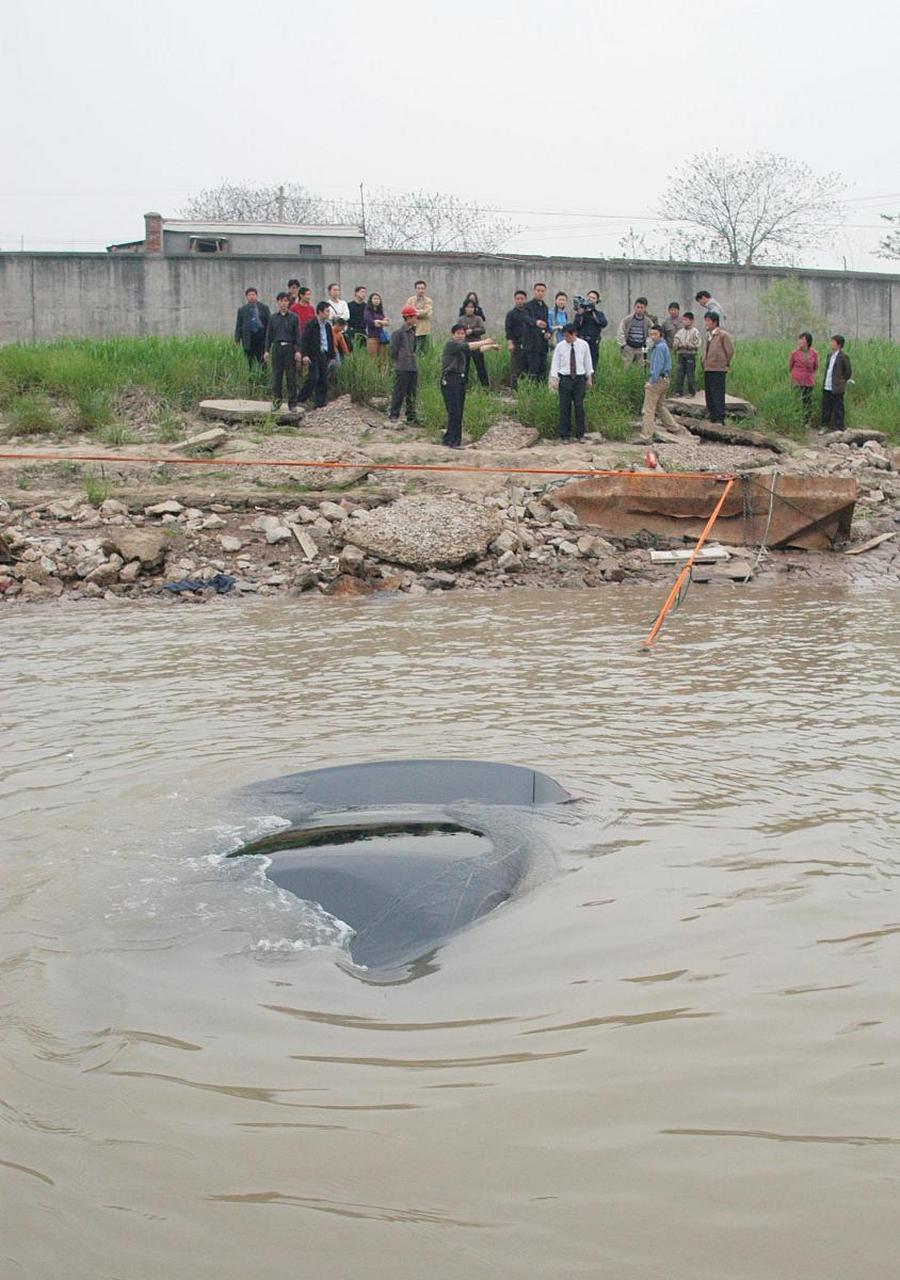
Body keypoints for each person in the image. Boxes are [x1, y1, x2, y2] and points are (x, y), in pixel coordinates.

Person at [440, 321, 499, 448]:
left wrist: (490, 346)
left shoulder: (462, 346)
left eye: (462, 333)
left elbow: (477, 350)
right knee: (454, 411)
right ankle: (453, 442)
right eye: (458, 333)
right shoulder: (452, 344)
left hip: (459, 380)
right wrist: (486, 341)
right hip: (450, 380)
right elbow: (469, 346)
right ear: (453, 334)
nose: (461, 336)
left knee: (458, 411)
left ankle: (450, 439)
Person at [549, 323, 594, 441]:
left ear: (574, 334)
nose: (566, 338)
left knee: (579, 406)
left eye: (568, 336)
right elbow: (555, 363)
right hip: (565, 378)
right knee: (565, 407)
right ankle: (564, 435)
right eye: (564, 336)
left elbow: (587, 362)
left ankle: (580, 434)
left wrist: (589, 377)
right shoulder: (560, 346)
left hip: (579, 378)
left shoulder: (583, 345)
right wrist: (554, 378)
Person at [264, 291, 302, 409]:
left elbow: (297, 335)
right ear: (278, 302)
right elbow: (269, 335)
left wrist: (298, 351)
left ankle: (292, 404)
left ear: (288, 302)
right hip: (277, 348)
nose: (283, 303)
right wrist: (266, 351)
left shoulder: (294, 318)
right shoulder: (273, 318)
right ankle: (277, 402)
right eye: (281, 301)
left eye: (286, 301)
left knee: (291, 377)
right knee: (277, 377)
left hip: (290, 349)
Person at [641, 324, 679, 435]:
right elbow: (663, 363)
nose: (652, 337)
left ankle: (646, 434)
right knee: (659, 406)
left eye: (655, 334)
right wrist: (649, 363)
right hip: (665, 379)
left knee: (648, 409)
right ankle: (673, 426)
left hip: (657, 380)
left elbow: (657, 367)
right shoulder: (663, 346)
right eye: (651, 334)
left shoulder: (658, 348)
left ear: (660, 335)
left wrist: (651, 382)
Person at [298, 302, 335, 409]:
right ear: (320, 311)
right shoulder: (311, 324)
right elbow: (304, 340)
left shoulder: (327, 326)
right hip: (313, 355)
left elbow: (330, 341)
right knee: (313, 377)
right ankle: (301, 398)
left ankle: (320, 402)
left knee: (323, 378)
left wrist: (331, 356)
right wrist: (304, 354)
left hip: (324, 354)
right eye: (327, 311)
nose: (328, 314)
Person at [701, 312, 735, 424]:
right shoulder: (708, 335)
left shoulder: (722, 335)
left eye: (708, 321)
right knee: (709, 394)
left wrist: (724, 363)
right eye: (705, 320)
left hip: (718, 369)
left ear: (715, 322)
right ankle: (712, 416)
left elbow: (729, 351)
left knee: (718, 394)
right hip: (708, 368)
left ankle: (720, 418)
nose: (706, 323)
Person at [389, 306, 419, 424]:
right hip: (402, 367)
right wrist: (398, 362)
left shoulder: (412, 333)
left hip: (412, 366)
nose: (416, 319)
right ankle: (394, 414)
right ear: (408, 317)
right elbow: (393, 351)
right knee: (399, 391)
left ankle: (411, 416)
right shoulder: (398, 333)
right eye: (414, 316)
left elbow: (414, 349)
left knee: (412, 393)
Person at [234, 287, 270, 372]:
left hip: (261, 339)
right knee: (250, 363)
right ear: (246, 296)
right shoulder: (242, 310)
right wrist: (237, 339)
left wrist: (269, 338)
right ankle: (251, 381)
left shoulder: (264, 308)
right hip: (248, 339)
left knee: (262, 362)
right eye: (249, 295)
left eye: (253, 294)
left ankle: (263, 381)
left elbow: (269, 324)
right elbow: (238, 325)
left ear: (256, 296)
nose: (251, 296)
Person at [821, 335, 852, 431]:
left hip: (837, 387)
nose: (831, 343)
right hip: (827, 385)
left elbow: (848, 372)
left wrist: (842, 381)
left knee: (838, 408)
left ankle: (839, 427)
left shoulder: (843, 357)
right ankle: (824, 425)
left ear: (838, 344)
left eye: (833, 342)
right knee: (826, 407)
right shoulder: (829, 356)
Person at [788, 332, 819, 426]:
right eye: (799, 339)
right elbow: (790, 366)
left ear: (808, 341)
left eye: (803, 339)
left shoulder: (814, 353)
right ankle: (796, 420)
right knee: (796, 400)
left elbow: (815, 367)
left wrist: (809, 374)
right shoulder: (794, 353)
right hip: (797, 380)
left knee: (807, 401)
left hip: (808, 381)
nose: (800, 341)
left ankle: (806, 421)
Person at [574, 290, 608, 371]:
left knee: (593, 364)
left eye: (593, 298)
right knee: (580, 364)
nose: (591, 300)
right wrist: (581, 313)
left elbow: (603, 324)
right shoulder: (581, 313)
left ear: (597, 301)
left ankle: (592, 381)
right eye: (589, 297)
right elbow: (576, 326)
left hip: (593, 343)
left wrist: (593, 312)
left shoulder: (599, 314)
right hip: (582, 341)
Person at [459, 298, 490, 387]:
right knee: (464, 368)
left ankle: (485, 387)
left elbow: (482, 329)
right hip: (465, 345)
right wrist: (465, 331)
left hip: (477, 345)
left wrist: (472, 331)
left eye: (472, 307)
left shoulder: (478, 318)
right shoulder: (461, 319)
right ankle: (464, 386)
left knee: (481, 367)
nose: (470, 309)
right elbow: (458, 330)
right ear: (464, 308)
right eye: (468, 307)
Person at [523, 283, 550, 378]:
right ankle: (531, 390)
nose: (540, 293)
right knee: (532, 371)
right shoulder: (527, 306)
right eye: (538, 291)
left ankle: (541, 390)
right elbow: (525, 318)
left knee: (542, 370)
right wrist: (536, 322)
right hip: (531, 345)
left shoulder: (545, 307)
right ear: (534, 291)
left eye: (542, 291)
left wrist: (548, 333)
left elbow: (547, 324)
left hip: (542, 345)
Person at [616, 298, 652, 367]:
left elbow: (652, 334)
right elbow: (620, 332)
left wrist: (647, 345)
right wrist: (623, 345)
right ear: (634, 307)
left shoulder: (648, 322)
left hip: (641, 348)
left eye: (642, 307)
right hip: (629, 348)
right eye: (637, 307)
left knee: (640, 369)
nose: (639, 309)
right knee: (626, 368)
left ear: (645, 309)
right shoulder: (627, 319)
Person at [672, 311, 701, 396]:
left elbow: (698, 343)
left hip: (690, 355)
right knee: (679, 374)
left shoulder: (695, 331)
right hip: (681, 355)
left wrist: (689, 345)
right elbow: (675, 342)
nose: (684, 321)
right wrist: (679, 345)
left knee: (690, 374)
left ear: (691, 321)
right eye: (683, 320)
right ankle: (678, 391)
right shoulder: (680, 331)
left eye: (686, 320)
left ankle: (692, 392)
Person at [505, 290, 529, 389]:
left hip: (528, 343)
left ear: (525, 299)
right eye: (518, 299)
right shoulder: (511, 314)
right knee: (515, 367)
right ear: (515, 300)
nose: (520, 300)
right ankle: (514, 389)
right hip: (516, 343)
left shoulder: (528, 312)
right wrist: (510, 342)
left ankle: (526, 388)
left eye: (522, 299)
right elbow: (508, 329)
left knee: (526, 367)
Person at [405, 279, 433, 352]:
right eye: (419, 288)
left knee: (422, 351)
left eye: (423, 288)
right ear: (415, 289)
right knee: (411, 350)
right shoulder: (410, 300)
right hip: (411, 329)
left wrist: (415, 312)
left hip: (423, 330)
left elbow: (427, 313)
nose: (421, 290)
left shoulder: (428, 301)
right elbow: (407, 312)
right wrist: (421, 312)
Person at [364, 293, 390, 360]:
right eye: (375, 298)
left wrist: (380, 321)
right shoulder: (368, 311)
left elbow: (386, 323)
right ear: (371, 300)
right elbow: (373, 322)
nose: (377, 300)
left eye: (378, 299)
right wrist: (381, 322)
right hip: (372, 338)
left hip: (381, 337)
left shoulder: (380, 311)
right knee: (373, 359)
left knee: (383, 358)